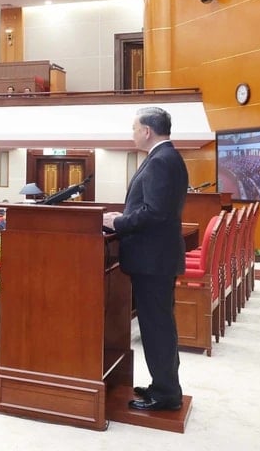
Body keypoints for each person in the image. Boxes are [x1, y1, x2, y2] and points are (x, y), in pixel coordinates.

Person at [102, 107, 188, 412]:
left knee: (157, 327)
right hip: (156, 258)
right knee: (158, 325)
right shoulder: (166, 158)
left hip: (153, 260)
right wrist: (123, 217)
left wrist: (118, 223)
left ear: (147, 131)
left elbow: (155, 214)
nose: (133, 133)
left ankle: (166, 395)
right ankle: (162, 385)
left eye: (134, 128)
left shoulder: (161, 161)